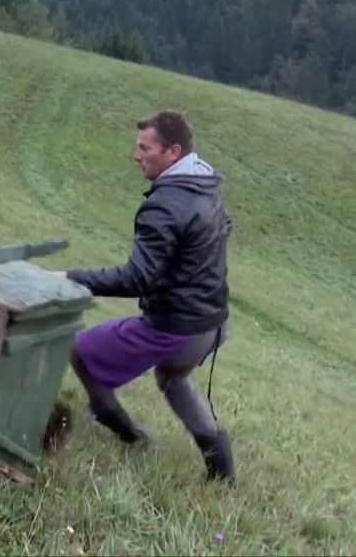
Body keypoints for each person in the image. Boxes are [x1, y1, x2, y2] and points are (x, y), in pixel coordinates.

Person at [55, 111, 236, 483]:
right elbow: (225, 227)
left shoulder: (166, 204)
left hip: (176, 326)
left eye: (145, 148)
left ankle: (126, 432)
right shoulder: (204, 185)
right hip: (213, 323)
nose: (136, 156)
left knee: (81, 350)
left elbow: (136, 278)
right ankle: (222, 470)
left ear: (173, 152)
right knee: (172, 376)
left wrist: (71, 277)